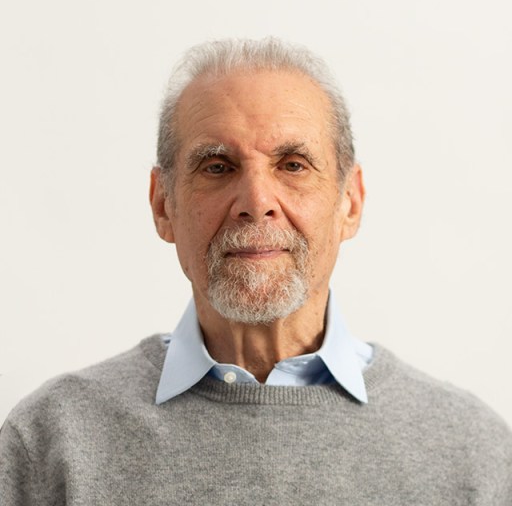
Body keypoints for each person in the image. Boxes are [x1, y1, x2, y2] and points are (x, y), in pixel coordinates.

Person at [1, 37, 511, 505]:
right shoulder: (50, 443)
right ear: (163, 206)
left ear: (350, 203)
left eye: (292, 165)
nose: (257, 202)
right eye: (217, 166)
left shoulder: (472, 456)